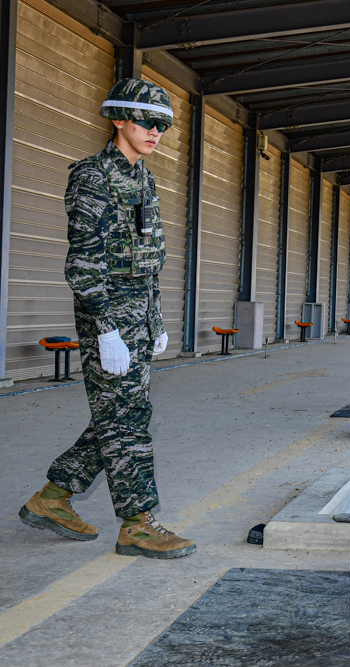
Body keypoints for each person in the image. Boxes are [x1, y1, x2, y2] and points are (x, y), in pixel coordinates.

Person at [18, 79, 196, 560]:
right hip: (108, 317)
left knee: (117, 416)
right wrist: (106, 329)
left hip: (138, 314)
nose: (156, 132)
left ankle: (53, 497)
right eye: (147, 121)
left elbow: (147, 256)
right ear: (119, 119)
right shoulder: (93, 176)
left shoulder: (143, 178)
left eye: (163, 125)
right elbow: (82, 263)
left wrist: (155, 318)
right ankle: (138, 524)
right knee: (128, 418)